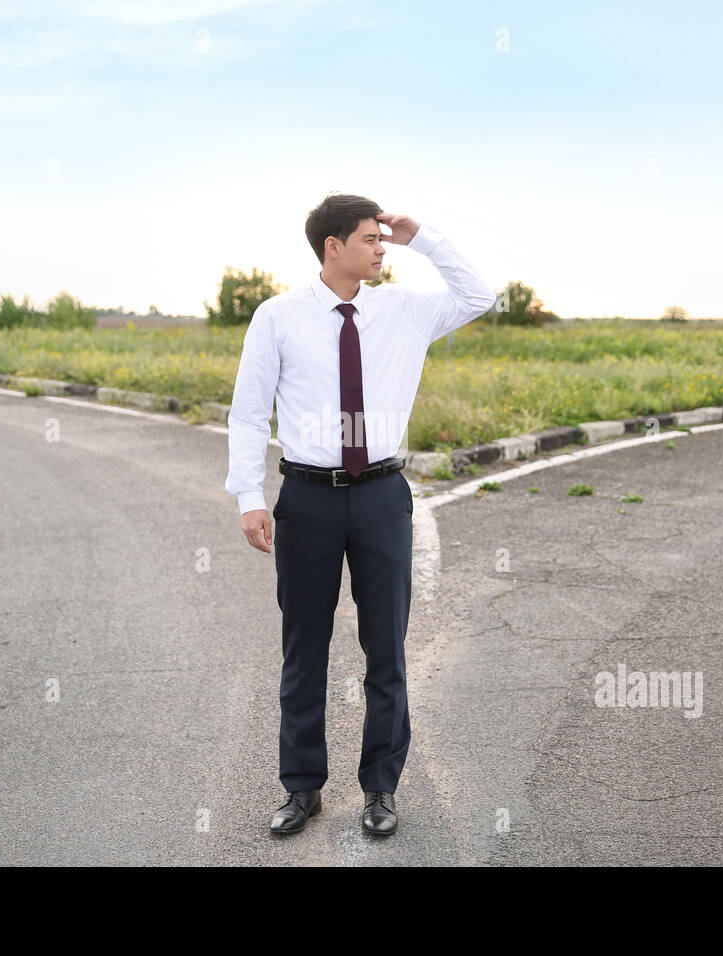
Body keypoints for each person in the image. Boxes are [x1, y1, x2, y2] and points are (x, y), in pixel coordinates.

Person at [224, 193, 496, 836]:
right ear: (332, 247)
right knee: (304, 649)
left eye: (384, 237)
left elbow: (479, 294)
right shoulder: (278, 316)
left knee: (386, 649)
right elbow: (246, 411)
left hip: (380, 496)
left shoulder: (403, 311)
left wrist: (419, 237)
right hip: (309, 498)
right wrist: (249, 497)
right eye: (371, 238)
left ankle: (380, 788)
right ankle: (301, 788)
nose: (382, 247)